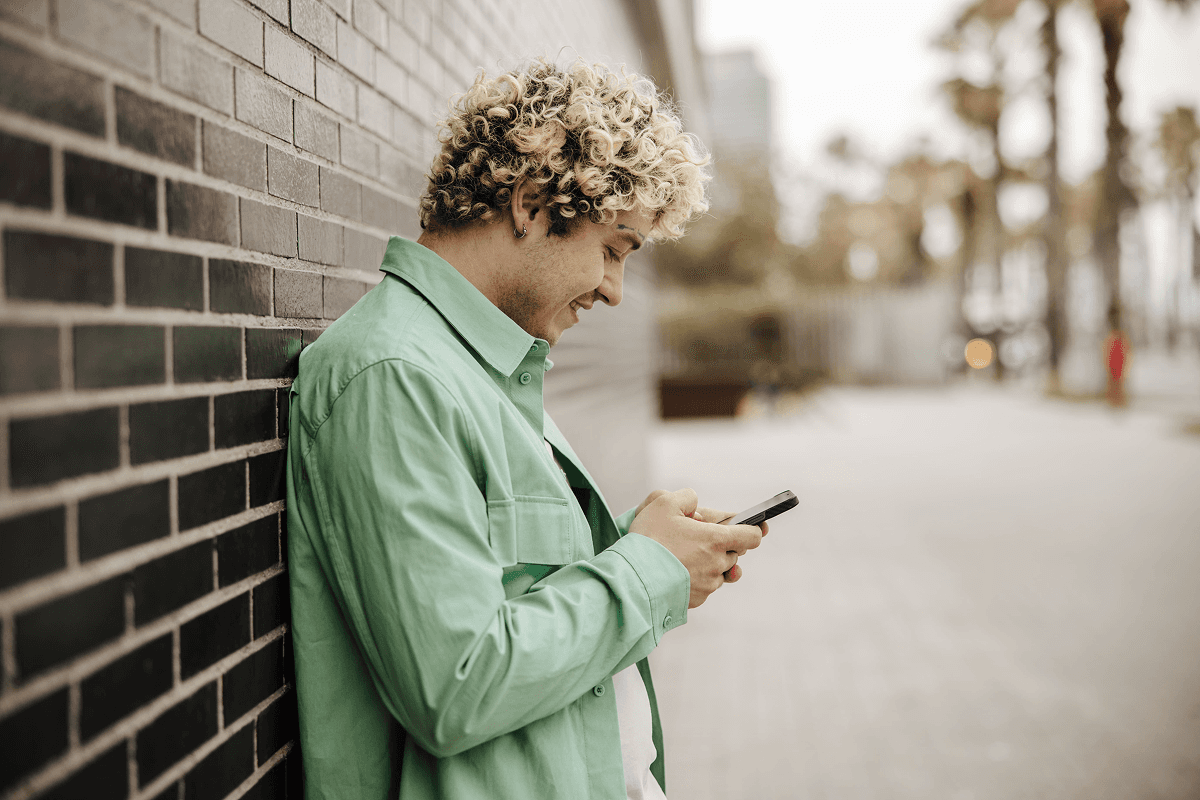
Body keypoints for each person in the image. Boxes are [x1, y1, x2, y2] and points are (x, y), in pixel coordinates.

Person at [285, 58, 765, 800]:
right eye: (613, 248)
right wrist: (647, 571)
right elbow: (457, 683)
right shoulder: (391, 377)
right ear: (532, 204)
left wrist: (645, 550)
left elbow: (521, 602)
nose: (614, 288)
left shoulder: (484, 370)